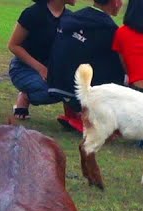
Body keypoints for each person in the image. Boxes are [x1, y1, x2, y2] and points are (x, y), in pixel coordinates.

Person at [47, 0, 125, 132]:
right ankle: (89, 119)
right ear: (116, 2)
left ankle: (72, 112)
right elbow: (116, 68)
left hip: (54, 82)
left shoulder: (71, 17)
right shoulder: (109, 30)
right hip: (78, 90)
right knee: (122, 77)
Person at [8, 0, 75, 120]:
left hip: (51, 70)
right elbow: (13, 45)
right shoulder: (32, 13)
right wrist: (41, 69)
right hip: (23, 68)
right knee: (51, 92)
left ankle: (71, 116)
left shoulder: (70, 18)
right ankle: (25, 97)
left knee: (73, 87)